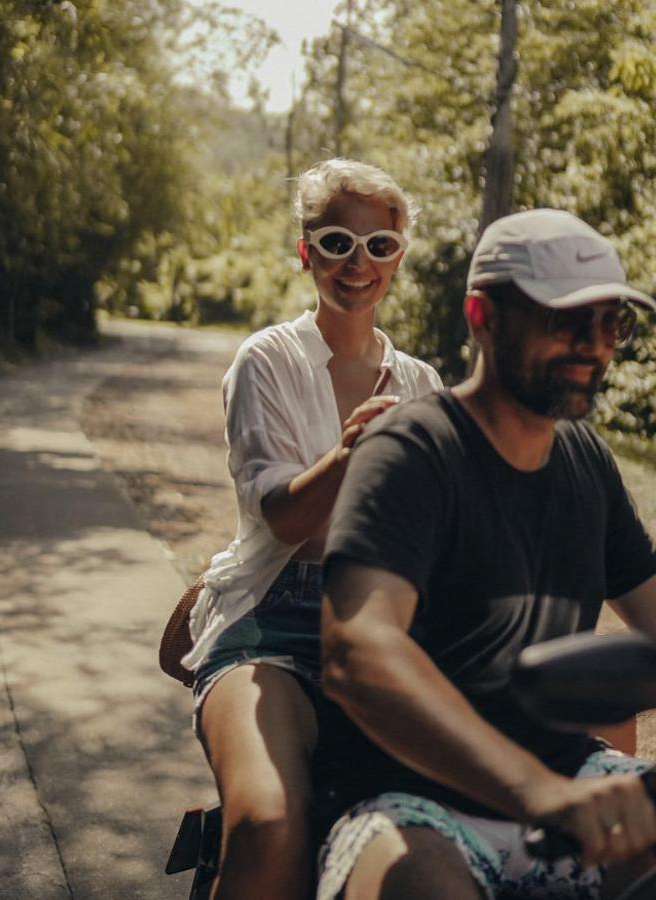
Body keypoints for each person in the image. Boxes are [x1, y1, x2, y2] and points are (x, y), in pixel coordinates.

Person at [316, 209, 656, 900]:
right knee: (422, 887)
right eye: (562, 321)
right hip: (411, 801)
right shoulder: (414, 452)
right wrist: (532, 791)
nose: (591, 345)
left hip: (572, 781)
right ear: (481, 315)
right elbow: (358, 649)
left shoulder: (582, 459)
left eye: (610, 324)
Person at [180, 159, 443, 900]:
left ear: (398, 255)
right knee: (267, 824)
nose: (357, 264)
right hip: (267, 619)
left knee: (443, 824)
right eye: (336, 243)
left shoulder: (421, 383)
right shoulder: (265, 360)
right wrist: (351, 452)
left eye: (378, 247)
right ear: (306, 252)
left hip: (382, 623)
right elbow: (285, 517)